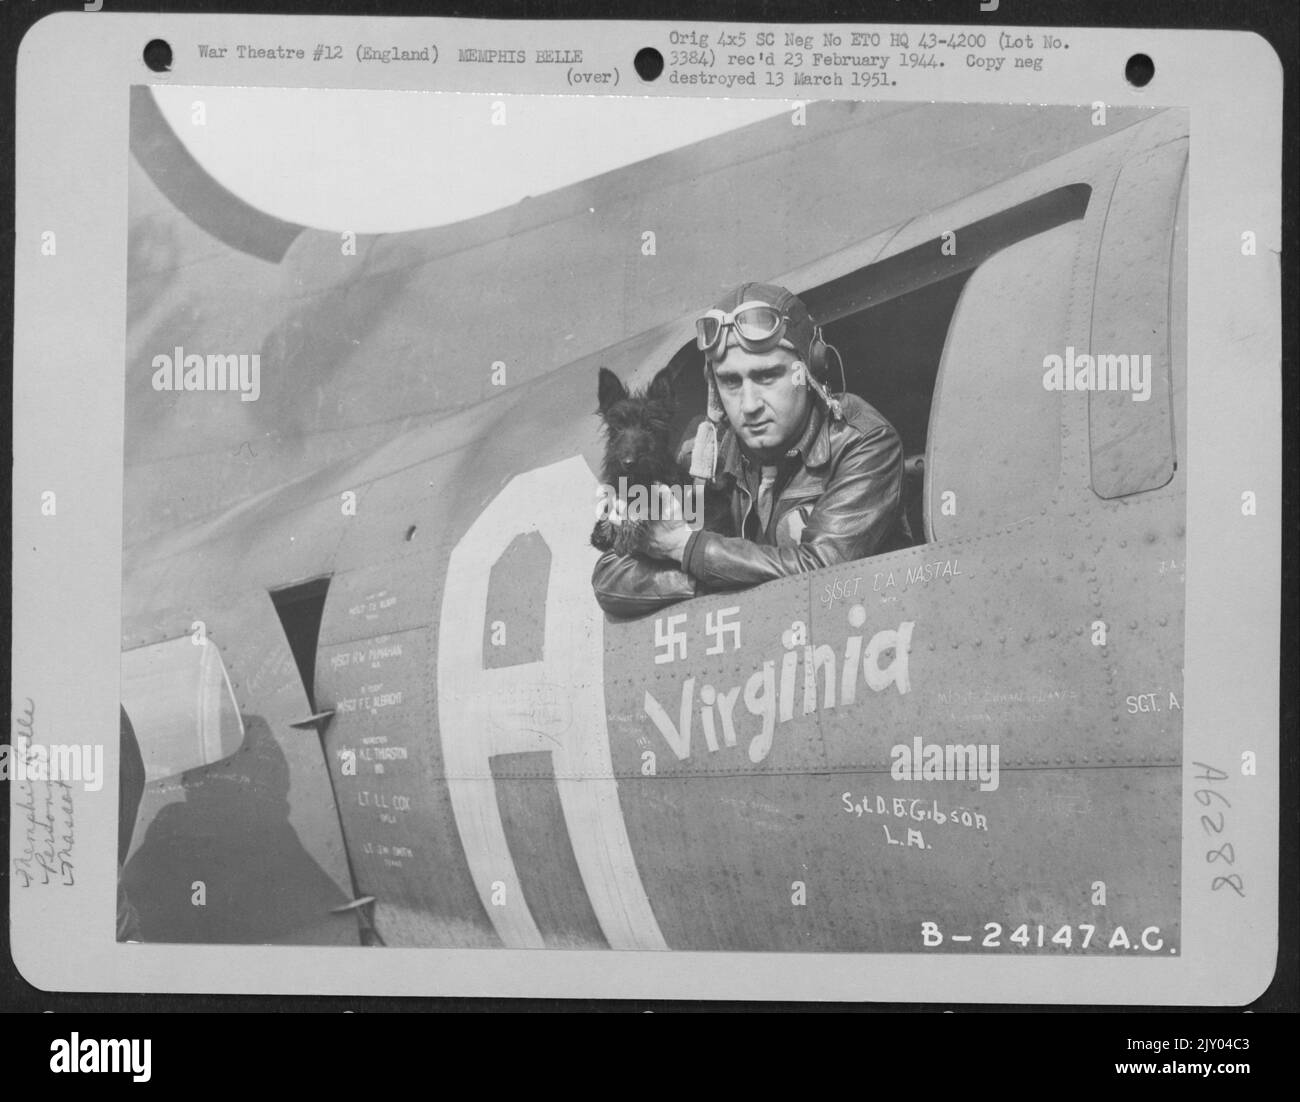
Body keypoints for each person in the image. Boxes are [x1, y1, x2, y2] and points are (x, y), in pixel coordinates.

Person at [592, 282, 905, 616]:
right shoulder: (702, 457)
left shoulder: (863, 443)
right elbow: (611, 578)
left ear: (808, 371)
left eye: (767, 376)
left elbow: (825, 568)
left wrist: (687, 549)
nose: (749, 404)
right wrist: (711, 570)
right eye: (731, 382)